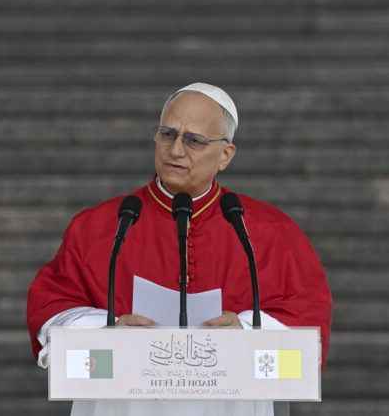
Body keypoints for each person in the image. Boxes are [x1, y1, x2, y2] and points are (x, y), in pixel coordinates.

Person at [27, 83, 333, 416]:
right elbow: (51, 309)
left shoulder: (270, 232)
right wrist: (108, 331)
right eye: (167, 134)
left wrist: (246, 332)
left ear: (225, 155)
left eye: (194, 140)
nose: (175, 150)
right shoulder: (100, 226)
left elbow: (307, 327)